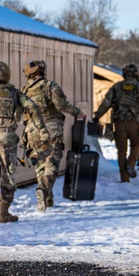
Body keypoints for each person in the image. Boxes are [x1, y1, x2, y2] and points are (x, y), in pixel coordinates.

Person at [0, 61, 50, 224]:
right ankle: (4, 214)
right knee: (8, 175)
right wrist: (41, 129)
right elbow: (32, 107)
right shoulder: (15, 93)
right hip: (6, 137)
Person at [21, 60, 85, 212]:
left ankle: (47, 198)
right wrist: (77, 112)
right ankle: (43, 190)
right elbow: (61, 105)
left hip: (32, 130)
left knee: (40, 163)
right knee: (52, 162)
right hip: (51, 129)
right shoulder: (50, 86)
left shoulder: (24, 91)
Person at [92, 64, 139, 182]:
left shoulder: (116, 87)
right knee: (136, 145)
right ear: (136, 74)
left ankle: (124, 178)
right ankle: (131, 163)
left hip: (119, 123)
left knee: (121, 151)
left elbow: (106, 103)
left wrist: (97, 116)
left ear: (124, 74)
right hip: (135, 122)